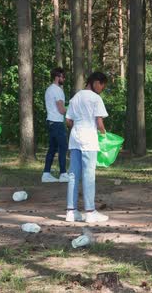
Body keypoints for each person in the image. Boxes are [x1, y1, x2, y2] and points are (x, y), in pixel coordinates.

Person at [65, 72, 109, 223]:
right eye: (102, 85)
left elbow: (68, 121)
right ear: (96, 82)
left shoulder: (75, 97)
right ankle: (90, 212)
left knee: (73, 174)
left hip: (75, 139)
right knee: (89, 175)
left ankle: (71, 212)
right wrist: (104, 134)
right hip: (89, 139)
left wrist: (78, 124)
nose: (102, 89)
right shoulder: (96, 99)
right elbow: (99, 123)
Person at [42, 67, 70, 183]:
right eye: (63, 77)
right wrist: (71, 112)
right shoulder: (57, 90)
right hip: (57, 123)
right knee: (63, 147)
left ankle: (46, 174)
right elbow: (61, 109)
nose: (64, 79)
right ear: (57, 77)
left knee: (52, 148)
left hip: (50, 121)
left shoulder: (49, 89)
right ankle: (63, 174)